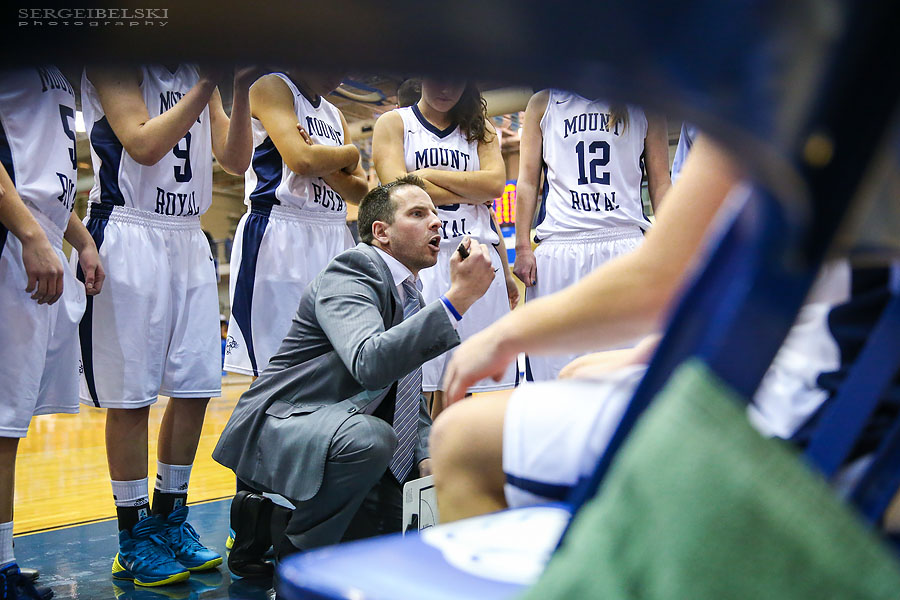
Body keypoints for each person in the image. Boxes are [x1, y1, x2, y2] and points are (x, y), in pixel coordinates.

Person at [431, 136, 850, 521]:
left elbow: (656, 282)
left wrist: (507, 331)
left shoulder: (780, 81)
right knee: (579, 371)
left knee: (461, 437)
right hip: (826, 361)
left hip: (809, 412)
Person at [212, 176, 496, 574]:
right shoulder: (352, 270)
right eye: (418, 213)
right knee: (372, 439)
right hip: (286, 427)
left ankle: (262, 522)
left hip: (337, 432)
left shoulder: (410, 292)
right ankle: (297, 558)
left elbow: (405, 396)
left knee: (400, 534)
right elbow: (370, 362)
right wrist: (458, 299)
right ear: (381, 232)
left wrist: (428, 455)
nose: (436, 222)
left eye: (435, 213)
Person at [78, 64, 254, 586]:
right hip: (128, 229)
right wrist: (208, 85)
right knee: (132, 397)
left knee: (195, 388)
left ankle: (169, 520)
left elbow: (235, 158)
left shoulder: (203, 68)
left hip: (187, 235)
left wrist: (237, 86)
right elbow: (142, 145)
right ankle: (132, 537)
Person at [0, 66, 104, 600]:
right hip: (13, 238)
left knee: (10, 424)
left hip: (35, 236)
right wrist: (26, 230)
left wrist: (81, 238)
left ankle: (3, 556)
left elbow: (47, 185)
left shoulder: (59, 66)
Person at [372, 78, 518, 420]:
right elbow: (397, 189)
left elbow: (495, 187)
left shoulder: (480, 128)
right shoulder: (394, 123)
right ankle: (426, 465)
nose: (445, 86)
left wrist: (425, 176)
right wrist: (471, 188)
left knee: (486, 385)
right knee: (423, 384)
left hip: (479, 257)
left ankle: (482, 465)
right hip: (422, 262)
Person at [512, 89, 671, 382]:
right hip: (562, 245)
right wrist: (523, 245)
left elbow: (661, 182)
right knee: (553, 376)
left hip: (623, 243)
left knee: (628, 374)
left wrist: (671, 247)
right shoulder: (544, 103)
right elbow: (527, 181)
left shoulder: (646, 104)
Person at [224, 69, 367, 378]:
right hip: (280, 229)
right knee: (277, 370)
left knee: (335, 365)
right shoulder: (272, 85)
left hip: (334, 230)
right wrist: (348, 154)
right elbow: (300, 159)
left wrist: (324, 158)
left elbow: (360, 191)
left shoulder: (334, 114)